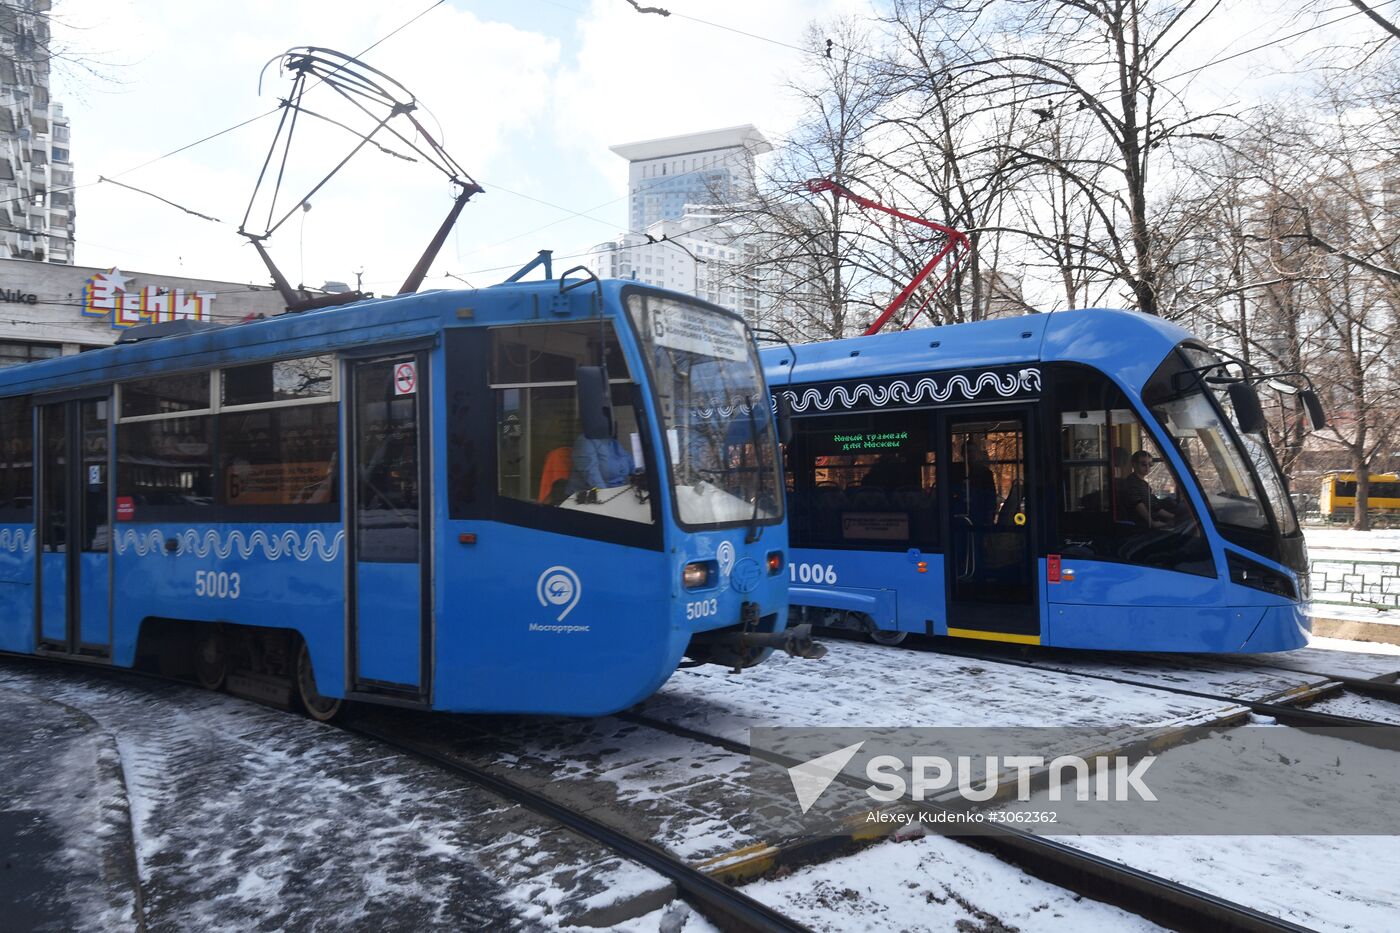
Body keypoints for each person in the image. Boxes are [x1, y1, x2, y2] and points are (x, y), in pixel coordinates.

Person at [1122, 449, 1176, 528]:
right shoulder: (1132, 483)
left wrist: (1173, 516)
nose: (1147, 467)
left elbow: (1154, 506)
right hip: (1142, 524)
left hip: (1153, 519)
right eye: (1143, 464)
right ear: (1134, 465)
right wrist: (1152, 523)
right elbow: (1138, 505)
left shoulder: (1144, 484)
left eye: (1150, 464)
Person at [568, 432, 635, 493]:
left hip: (618, 494)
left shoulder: (612, 441)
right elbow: (593, 479)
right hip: (589, 498)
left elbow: (631, 463)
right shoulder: (584, 441)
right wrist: (607, 496)